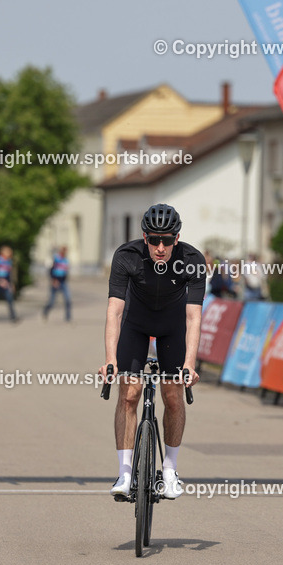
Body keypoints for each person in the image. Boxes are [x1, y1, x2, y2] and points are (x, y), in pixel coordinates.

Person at [99, 203, 203, 500]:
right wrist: (109, 359)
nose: (160, 247)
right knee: (129, 393)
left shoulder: (192, 259)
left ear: (177, 238)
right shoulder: (126, 256)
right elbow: (114, 311)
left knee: (173, 395)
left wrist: (189, 364)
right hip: (136, 322)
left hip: (172, 326)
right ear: (144, 237)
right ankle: (125, 472)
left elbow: (194, 317)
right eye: (154, 240)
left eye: (167, 240)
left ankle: (169, 471)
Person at [0, 245, 18, 322]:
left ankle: (13, 317)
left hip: (6, 283)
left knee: (10, 300)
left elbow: (10, 274)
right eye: (8, 252)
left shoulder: (9, 262)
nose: (9, 254)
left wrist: (11, 283)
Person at [43, 246, 72, 322]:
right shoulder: (56, 258)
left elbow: (65, 271)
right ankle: (45, 311)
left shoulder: (66, 260)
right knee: (52, 301)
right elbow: (51, 270)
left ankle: (68, 317)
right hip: (55, 281)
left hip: (63, 282)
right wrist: (53, 280)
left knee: (68, 299)